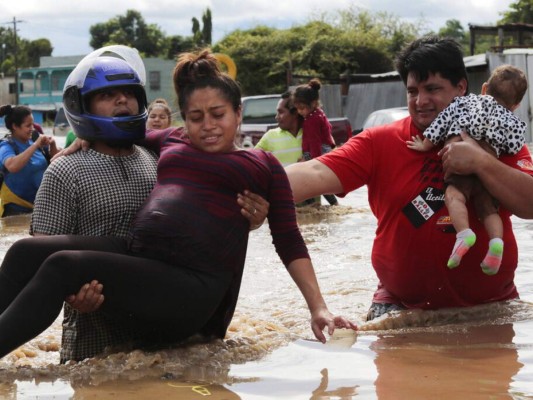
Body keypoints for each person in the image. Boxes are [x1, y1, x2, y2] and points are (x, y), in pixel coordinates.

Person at [0, 48, 355, 360]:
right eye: (196, 118)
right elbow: (119, 126)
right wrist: (84, 137)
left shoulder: (262, 166)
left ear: (238, 115)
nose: (208, 126)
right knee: (25, 251)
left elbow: (290, 240)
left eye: (218, 114)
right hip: (143, 257)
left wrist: (318, 308)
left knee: (63, 265)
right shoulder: (172, 140)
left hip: (191, 286)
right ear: (184, 120)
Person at [30, 45, 270, 363]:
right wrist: (73, 296)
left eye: (129, 93)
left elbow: (205, 232)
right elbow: (42, 259)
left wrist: (252, 216)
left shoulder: (162, 161)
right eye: (108, 95)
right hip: (95, 343)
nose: (122, 101)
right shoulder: (65, 170)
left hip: (172, 338)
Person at [285, 35, 533, 321]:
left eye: (432, 89)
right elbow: (314, 171)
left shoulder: (497, 138)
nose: (420, 101)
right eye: (412, 91)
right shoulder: (380, 141)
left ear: (461, 88)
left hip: (492, 306)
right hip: (398, 309)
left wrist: (481, 162)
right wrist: (251, 180)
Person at [407, 64, 527, 275]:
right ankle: (496, 243)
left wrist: (425, 145)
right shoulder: (514, 122)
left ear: (484, 88)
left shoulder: (465, 102)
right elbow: (515, 146)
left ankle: (464, 233)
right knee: (488, 210)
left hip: (459, 161)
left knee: (454, 196)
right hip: (487, 171)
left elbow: (442, 122)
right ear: (516, 104)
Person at [0, 105, 59, 217]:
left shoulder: (35, 140)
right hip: (15, 210)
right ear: (15, 126)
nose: (32, 128)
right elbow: (12, 166)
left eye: (32, 124)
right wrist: (36, 145)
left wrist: (52, 144)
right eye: (28, 125)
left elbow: (56, 161)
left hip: (41, 207)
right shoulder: (6, 146)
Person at [292, 79, 338, 206]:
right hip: (322, 151)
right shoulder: (319, 114)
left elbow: (314, 142)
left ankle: (313, 205)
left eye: (302, 108)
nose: (300, 112)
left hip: (315, 153)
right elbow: (328, 130)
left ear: (313, 103)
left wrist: (313, 162)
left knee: (309, 182)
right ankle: (332, 204)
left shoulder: (311, 120)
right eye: (297, 109)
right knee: (319, 184)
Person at [255, 91, 303, 167]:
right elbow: (252, 161)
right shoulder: (270, 136)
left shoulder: (312, 133)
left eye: (281, 112)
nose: (276, 117)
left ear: (295, 112)